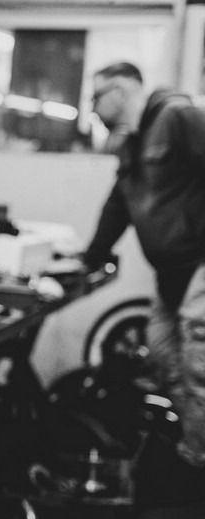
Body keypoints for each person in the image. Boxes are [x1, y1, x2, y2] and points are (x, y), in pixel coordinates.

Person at [83, 61, 205, 472]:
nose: (93, 108)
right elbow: (118, 205)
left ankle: (197, 465)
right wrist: (91, 257)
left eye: (96, 97)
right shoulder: (132, 142)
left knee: (199, 362)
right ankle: (195, 448)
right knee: (163, 356)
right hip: (170, 272)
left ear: (119, 91)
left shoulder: (179, 117)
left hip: (200, 263)